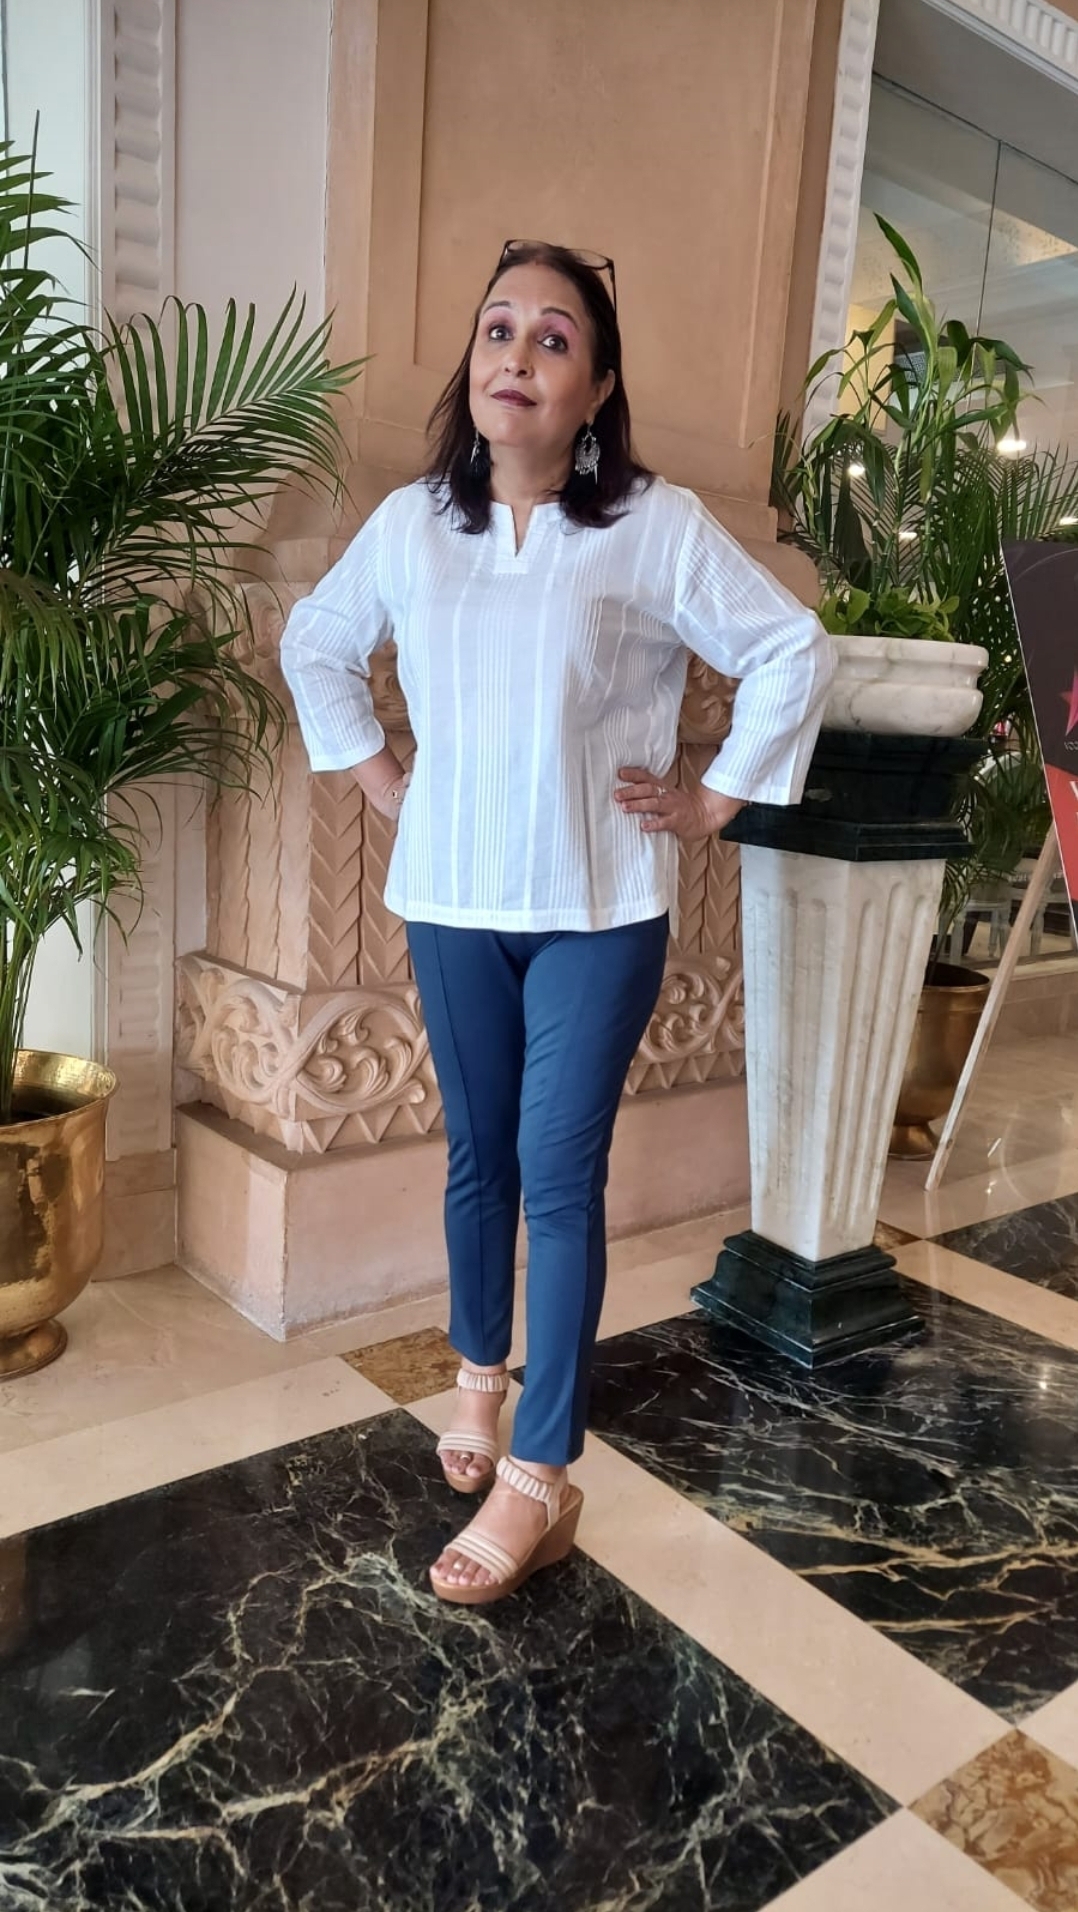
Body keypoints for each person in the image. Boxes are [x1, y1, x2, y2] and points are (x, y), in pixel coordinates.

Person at [280, 239, 834, 1607]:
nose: (516, 356)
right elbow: (315, 640)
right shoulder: (415, 525)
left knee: (556, 1170)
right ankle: (477, 1377)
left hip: (599, 906)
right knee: (478, 1156)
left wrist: (714, 799)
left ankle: (538, 1468)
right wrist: (382, 779)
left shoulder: (652, 524)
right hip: (451, 896)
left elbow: (789, 647)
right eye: (497, 329)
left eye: (552, 338)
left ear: (595, 390)